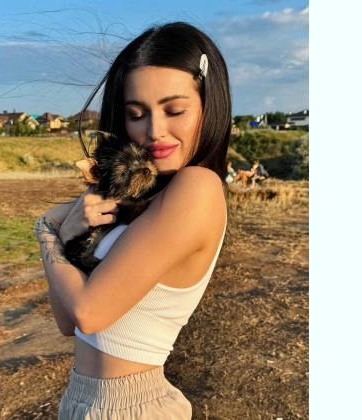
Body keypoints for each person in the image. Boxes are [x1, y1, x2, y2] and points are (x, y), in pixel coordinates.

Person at [35, 22, 230, 420]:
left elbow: (88, 312)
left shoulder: (197, 187)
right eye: (136, 114)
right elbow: (67, 321)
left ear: (208, 107)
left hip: (130, 406)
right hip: (81, 399)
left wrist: (45, 230)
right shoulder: (142, 201)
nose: (154, 131)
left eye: (175, 110)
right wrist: (67, 236)